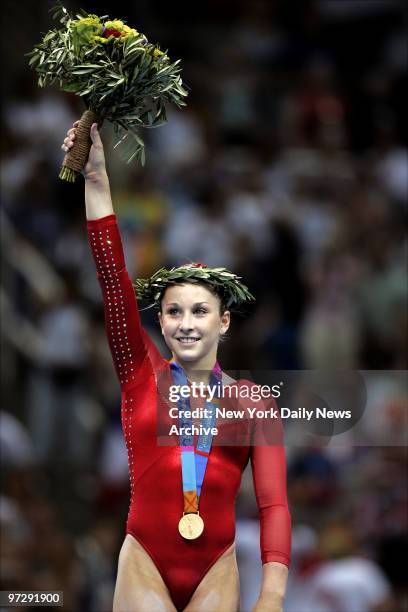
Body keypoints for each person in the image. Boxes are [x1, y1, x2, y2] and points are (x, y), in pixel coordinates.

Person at [61, 122, 291, 612]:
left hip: (217, 568)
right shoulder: (140, 373)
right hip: (145, 559)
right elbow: (111, 276)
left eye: (200, 311)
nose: (186, 323)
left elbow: (274, 504)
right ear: (160, 322)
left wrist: (271, 593)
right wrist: (98, 179)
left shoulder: (254, 404)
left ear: (224, 321)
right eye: (173, 312)